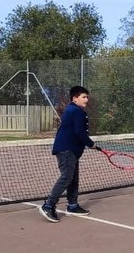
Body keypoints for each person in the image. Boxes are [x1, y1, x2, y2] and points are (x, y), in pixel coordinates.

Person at [38, 85, 96, 223]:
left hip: (72, 150)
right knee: (66, 177)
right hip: (66, 150)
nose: (86, 99)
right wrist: (91, 144)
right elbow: (79, 132)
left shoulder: (74, 110)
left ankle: (72, 205)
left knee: (73, 178)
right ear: (75, 98)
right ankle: (48, 205)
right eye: (84, 97)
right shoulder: (76, 111)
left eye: (87, 97)